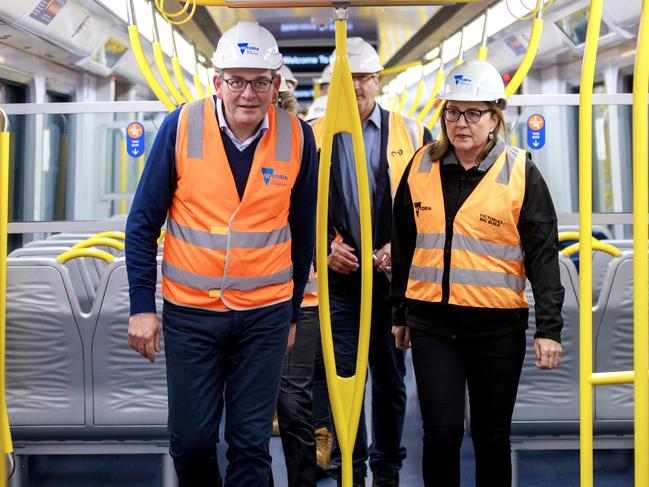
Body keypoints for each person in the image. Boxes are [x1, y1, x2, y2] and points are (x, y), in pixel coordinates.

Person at [125, 21, 317, 487]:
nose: (247, 93)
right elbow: (142, 225)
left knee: (250, 443)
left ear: (275, 85)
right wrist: (141, 308)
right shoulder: (181, 125)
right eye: (236, 80)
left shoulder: (298, 138)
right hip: (192, 314)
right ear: (217, 83)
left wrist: (291, 314)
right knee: (191, 441)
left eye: (258, 81)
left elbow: (303, 233)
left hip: (264, 315)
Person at [390, 60, 564, 487]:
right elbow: (404, 241)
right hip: (432, 320)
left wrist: (549, 328)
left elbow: (543, 254)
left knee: (491, 435)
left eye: (473, 113)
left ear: (494, 118)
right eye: (453, 111)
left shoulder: (521, 173)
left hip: (497, 325)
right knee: (442, 432)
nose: (460, 122)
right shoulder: (420, 166)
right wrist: (400, 312)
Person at [313, 37, 432, 487]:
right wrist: (325, 247)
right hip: (341, 281)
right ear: (331, 85)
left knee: (389, 379)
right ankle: (351, 466)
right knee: (345, 375)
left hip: (390, 280)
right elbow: (300, 205)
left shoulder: (413, 134)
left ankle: (387, 469)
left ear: (377, 81)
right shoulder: (313, 133)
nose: (356, 86)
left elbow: (428, 208)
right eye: (347, 78)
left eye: (363, 77)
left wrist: (397, 251)